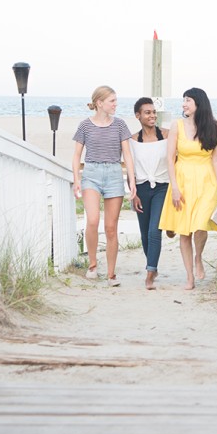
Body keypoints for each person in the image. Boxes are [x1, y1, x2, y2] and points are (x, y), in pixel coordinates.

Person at [159, 87, 217, 290]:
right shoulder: (176, 126)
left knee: (200, 224)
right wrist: (175, 187)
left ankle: (199, 257)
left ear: (199, 103)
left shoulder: (212, 127)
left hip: (207, 182)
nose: (184, 104)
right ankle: (189, 277)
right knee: (184, 231)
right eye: (183, 100)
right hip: (183, 181)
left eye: (188, 100)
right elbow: (170, 159)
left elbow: (216, 160)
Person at [72, 86, 136, 287]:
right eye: (112, 101)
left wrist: (131, 180)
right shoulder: (85, 126)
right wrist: (77, 179)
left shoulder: (120, 125)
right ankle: (92, 265)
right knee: (92, 220)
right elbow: (76, 155)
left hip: (114, 175)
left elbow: (127, 155)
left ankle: (111, 274)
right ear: (99, 103)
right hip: (91, 174)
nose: (116, 104)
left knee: (110, 228)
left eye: (116, 101)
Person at [129, 98, 170, 290]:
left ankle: (150, 272)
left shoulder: (168, 136)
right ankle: (152, 265)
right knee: (144, 233)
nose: (152, 115)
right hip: (141, 189)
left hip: (162, 187)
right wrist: (133, 192)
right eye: (147, 112)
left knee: (155, 230)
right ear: (138, 116)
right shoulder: (132, 140)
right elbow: (129, 169)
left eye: (153, 112)